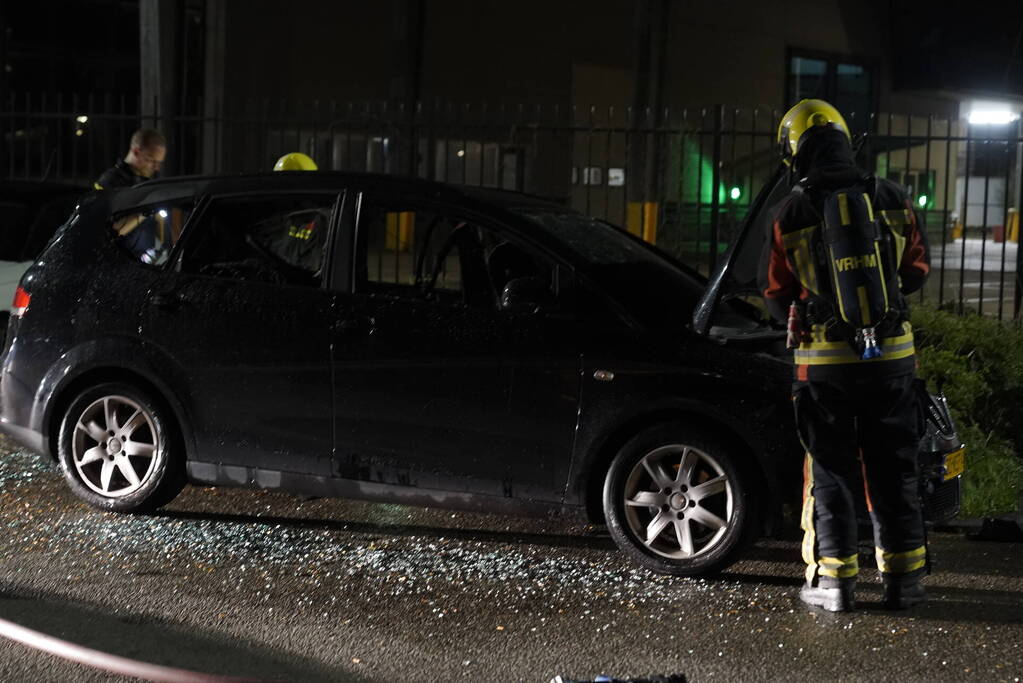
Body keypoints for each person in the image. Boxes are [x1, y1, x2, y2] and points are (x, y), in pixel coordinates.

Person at [761, 99, 931, 612]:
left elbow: (773, 293)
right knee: (895, 467)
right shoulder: (892, 196)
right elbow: (917, 272)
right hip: (892, 362)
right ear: (844, 139)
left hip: (825, 368)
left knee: (830, 471)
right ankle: (905, 583)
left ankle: (833, 583)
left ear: (795, 151)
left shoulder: (790, 210)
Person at [93, 128, 166, 190]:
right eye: (151, 160)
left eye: (159, 162)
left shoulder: (146, 182)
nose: (156, 168)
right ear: (136, 152)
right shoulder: (109, 181)